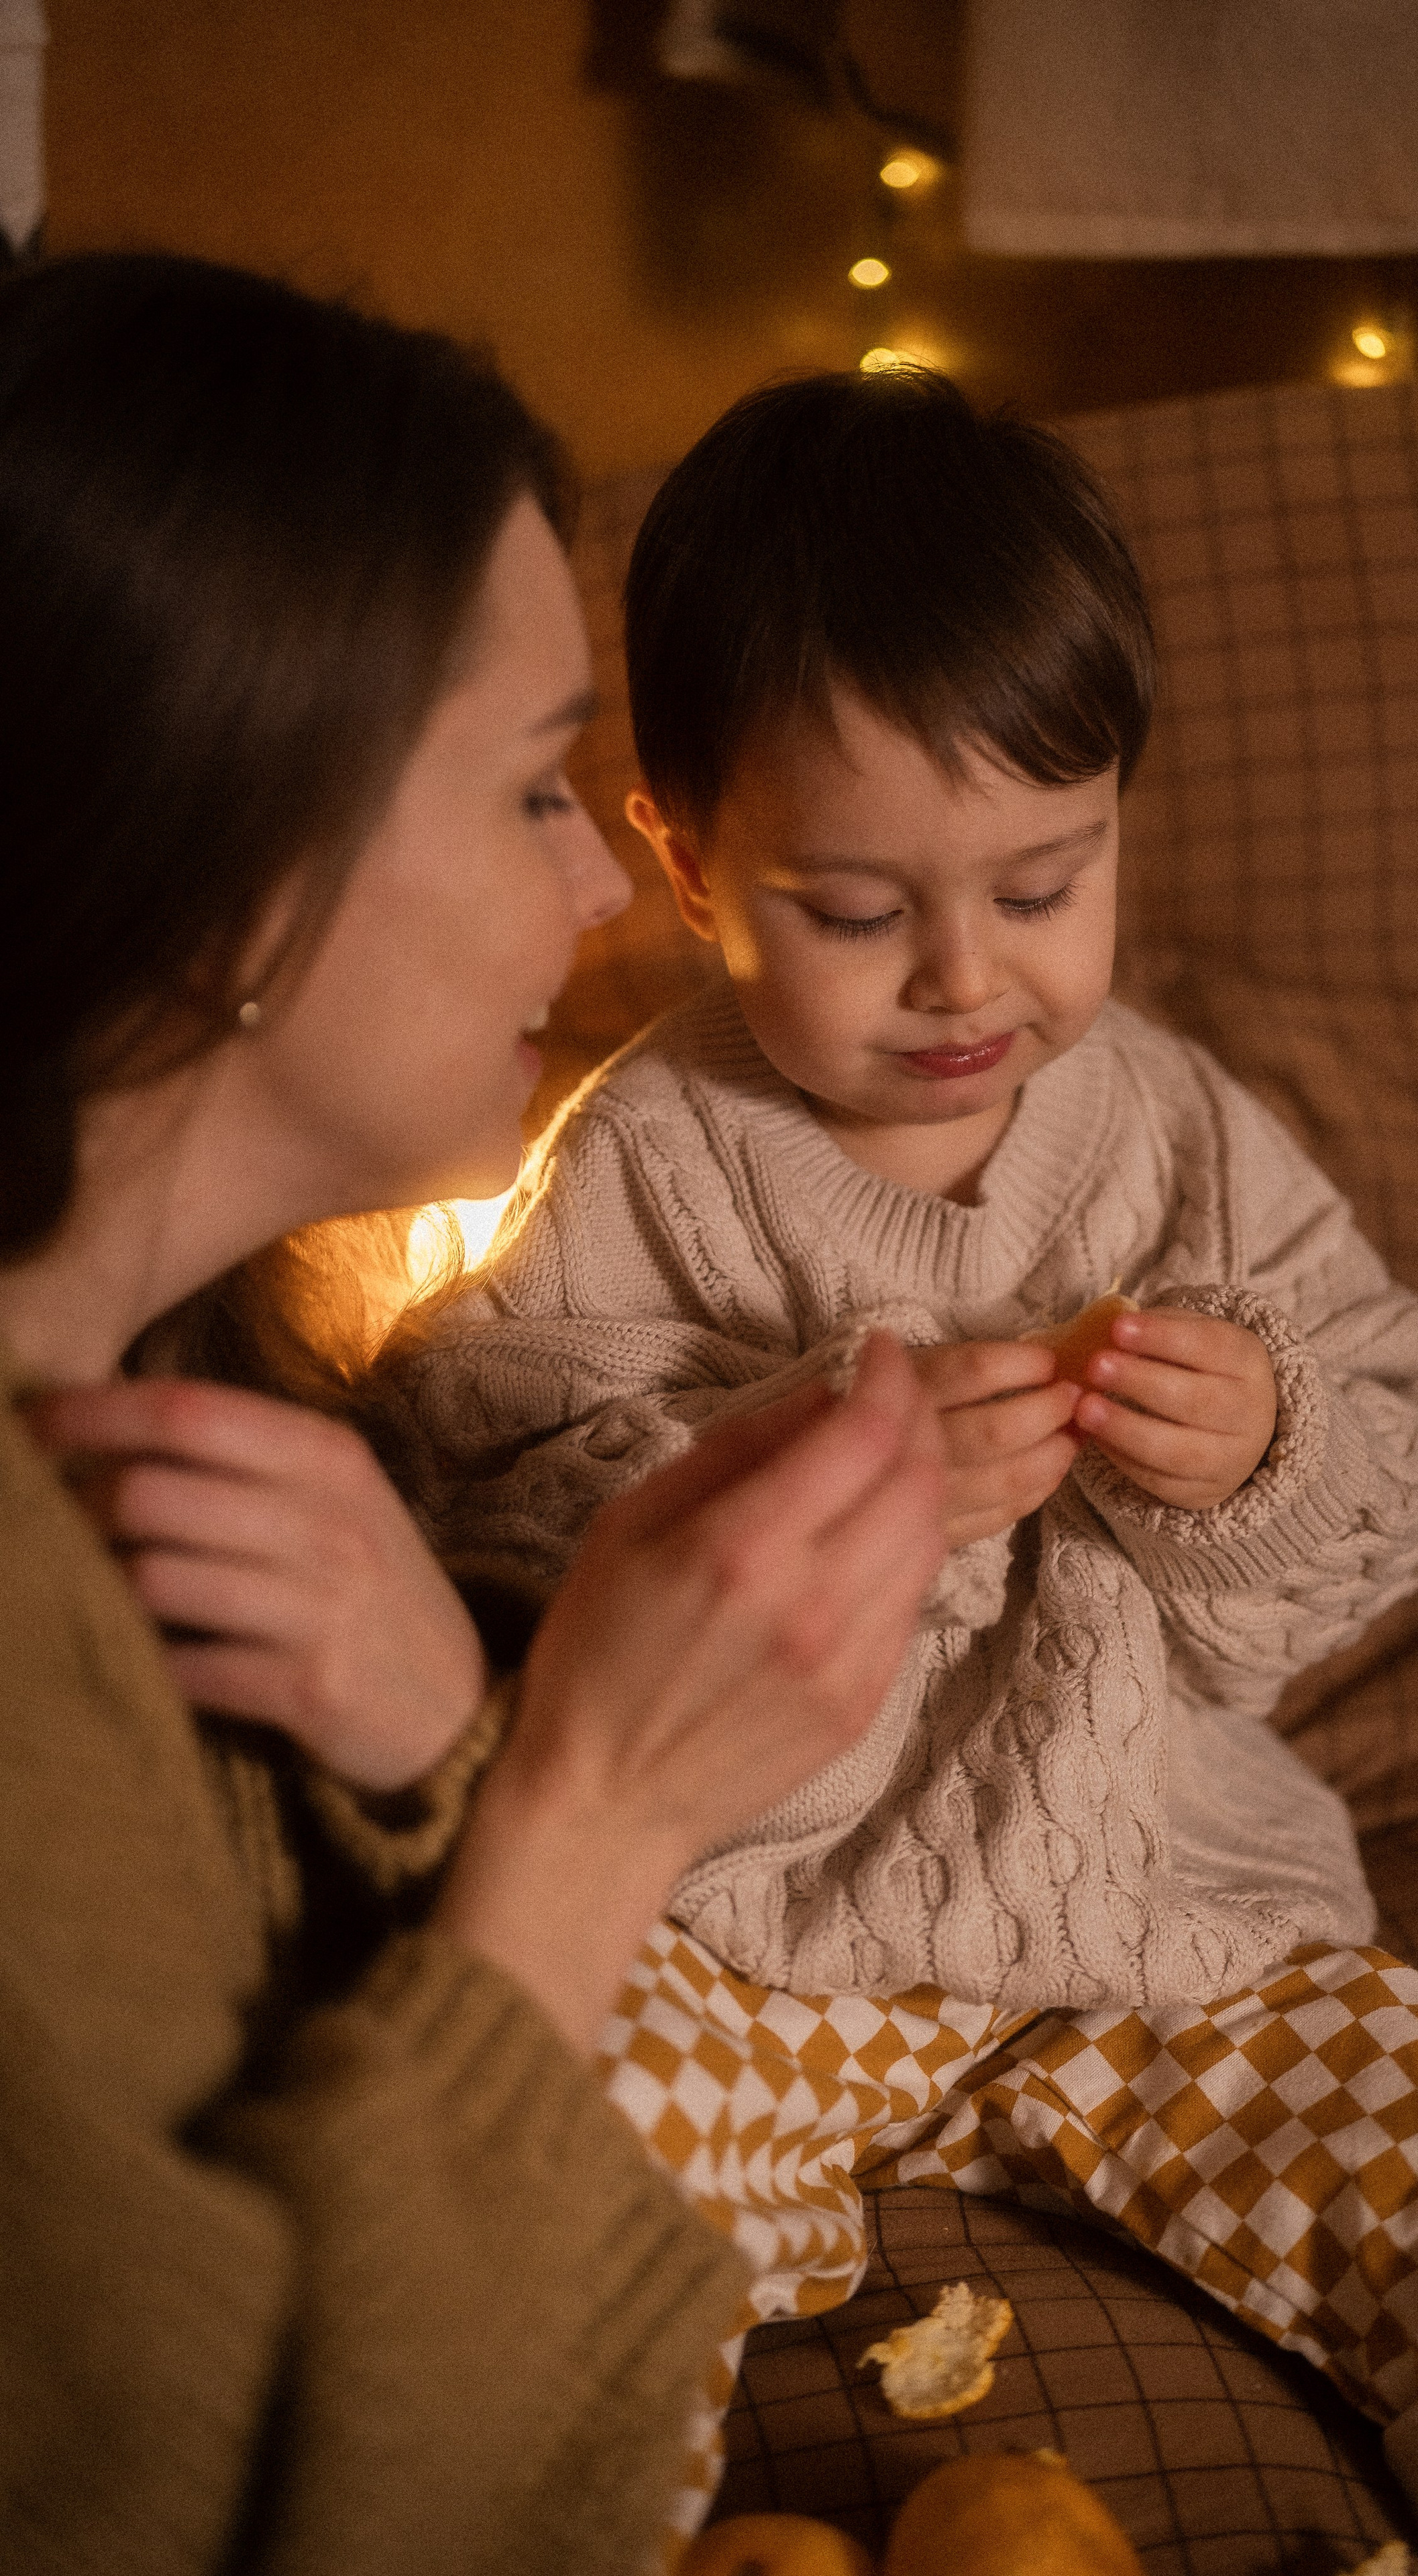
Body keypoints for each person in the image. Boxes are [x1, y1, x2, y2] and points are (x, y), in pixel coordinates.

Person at [380, 370, 1418, 2573]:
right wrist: (801, 1458)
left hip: (1152, 1895)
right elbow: (501, 1475)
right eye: (849, 909)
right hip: (765, 1923)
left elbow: (1415, 1415)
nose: (963, 978)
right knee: (552, 2194)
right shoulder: (644, 1153)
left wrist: (1267, 1439)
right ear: (685, 859)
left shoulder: (1175, 1130)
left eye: (1044, 880)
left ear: (1116, 826)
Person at [0, 254, 949, 2576]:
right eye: (538, 783)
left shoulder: (156, 1422)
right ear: (238, 866)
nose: (607, 878)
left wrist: (451, 1749)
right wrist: (596, 1803)